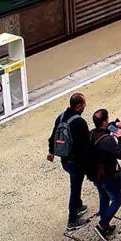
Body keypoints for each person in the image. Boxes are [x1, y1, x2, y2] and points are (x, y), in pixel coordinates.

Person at [47, 92, 91, 229]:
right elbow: (86, 145)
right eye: (84, 103)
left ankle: (78, 206)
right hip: (76, 162)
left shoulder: (61, 117)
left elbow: (53, 136)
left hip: (65, 159)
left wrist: (51, 152)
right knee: (75, 187)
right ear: (78, 106)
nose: (85, 105)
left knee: (76, 184)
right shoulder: (79, 123)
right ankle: (72, 220)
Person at [88, 108, 121, 240]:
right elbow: (120, 154)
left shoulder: (92, 134)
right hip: (108, 175)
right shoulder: (108, 141)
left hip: (97, 175)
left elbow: (104, 130)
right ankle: (102, 225)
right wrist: (120, 138)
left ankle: (104, 223)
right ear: (104, 121)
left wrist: (114, 124)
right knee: (117, 200)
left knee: (104, 197)